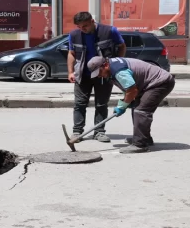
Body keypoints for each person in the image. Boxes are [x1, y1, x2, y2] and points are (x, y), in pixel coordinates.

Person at [87, 56, 176, 154]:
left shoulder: (119, 71)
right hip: (148, 83)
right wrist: (124, 102)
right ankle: (143, 138)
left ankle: (140, 144)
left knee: (141, 111)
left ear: (105, 65)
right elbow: (128, 88)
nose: (99, 76)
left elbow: (132, 90)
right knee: (136, 107)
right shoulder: (112, 68)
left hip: (160, 83)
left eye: (99, 72)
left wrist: (122, 106)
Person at [67, 11, 126, 143]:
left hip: (103, 74)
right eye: (80, 27)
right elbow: (71, 53)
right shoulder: (74, 35)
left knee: (101, 104)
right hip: (83, 75)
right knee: (79, 104)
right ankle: (77, 132)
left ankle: (99, 132)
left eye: (85, 26)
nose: (83, 29)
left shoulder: (110, 31)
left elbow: (122, 46)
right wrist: (71, 72)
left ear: (92, 21)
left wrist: (116, 64)